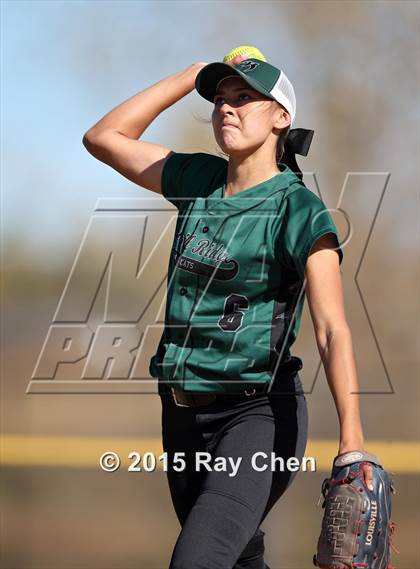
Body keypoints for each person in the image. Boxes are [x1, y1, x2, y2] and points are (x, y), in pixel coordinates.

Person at [83, 52, 373, 569]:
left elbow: (332, 330)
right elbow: (103, 139)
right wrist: (190, 75)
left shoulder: (298, 209)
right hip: (181, 414)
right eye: (218, 100)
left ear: (282, 117)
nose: (226, 110)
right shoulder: (200, 180)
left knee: (196, 561)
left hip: (256, 414)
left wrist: (352, 442)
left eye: (244, 98)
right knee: (237, 559)